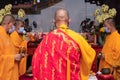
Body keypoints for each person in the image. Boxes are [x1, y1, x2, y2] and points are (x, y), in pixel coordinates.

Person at [32, 8, 96, 80]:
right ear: (69, 20)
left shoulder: (46, 40)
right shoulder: (77, 38)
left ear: (54, 21)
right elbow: (90, 55)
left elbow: (36, 60)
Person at [0, 14, 23, 80]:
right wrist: (13, 57)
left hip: (11, 73)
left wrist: (18, 56)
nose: (13, 27)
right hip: (4, 75)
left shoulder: (7, 35)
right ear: (8, 23)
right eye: (13, 25)